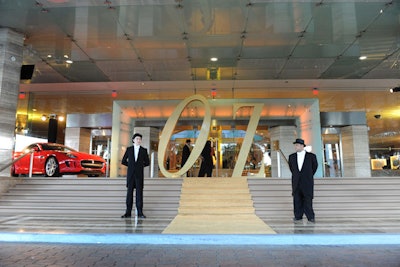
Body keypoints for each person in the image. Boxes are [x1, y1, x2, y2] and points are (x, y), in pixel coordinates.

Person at [288, 138, 318, 223]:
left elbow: (314, 167)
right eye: (295, 145)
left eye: (297, 145)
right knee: (297, 199)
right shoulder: (292, 157)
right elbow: (292, 168)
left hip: (307, 181)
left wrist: (308, 175)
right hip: (296, 181)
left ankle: (310, 216)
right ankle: (298, 216)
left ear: (302, 146)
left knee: (308, 199)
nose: (295, 147)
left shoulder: (311, 156)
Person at [121, 133, 150, 218]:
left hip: (139, 175)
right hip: (130, 175)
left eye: (140, 139)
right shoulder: (129, 149)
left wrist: (139, 166)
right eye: (137, 139)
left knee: (139, 194)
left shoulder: (144, 150)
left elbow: (147, 162)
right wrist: (131, 166)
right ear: (133, 140)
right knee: (129, 194)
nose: (138, 140)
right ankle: (128, 212)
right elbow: (123, 161)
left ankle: (140, 212)